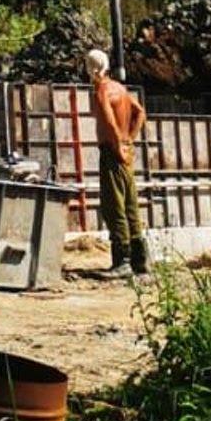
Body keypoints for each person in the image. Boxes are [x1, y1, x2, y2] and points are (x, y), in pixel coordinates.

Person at [86, 47, 149, 276]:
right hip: (124, 149)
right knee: (131, 203)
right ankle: (140, 261)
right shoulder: (120, 89)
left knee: (115, 205)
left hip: (113, 152)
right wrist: (129, 140)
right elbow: (140, 112)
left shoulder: (102, 90)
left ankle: (122, 261)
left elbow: (109, 121)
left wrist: (117, 146)